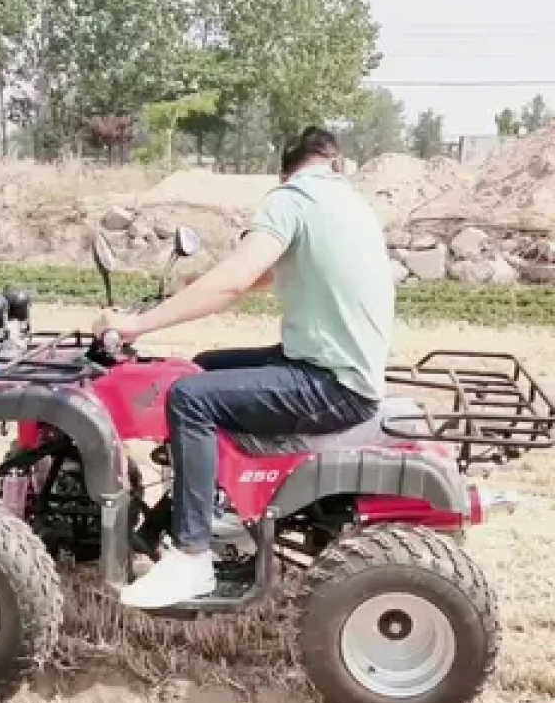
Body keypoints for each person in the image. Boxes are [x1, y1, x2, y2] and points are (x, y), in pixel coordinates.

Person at [92, 126, 395, 609]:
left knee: (188, 399)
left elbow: (233, 284)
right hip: (343, 370)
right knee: (203, 368)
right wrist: (195, 284)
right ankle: (211, 510)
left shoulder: (290, 199)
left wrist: (136, 325)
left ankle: (191, 557)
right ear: (335, 163)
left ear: (285, 170)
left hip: (331, 384)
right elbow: (263, 271)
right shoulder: (349, 205)